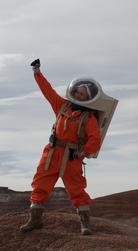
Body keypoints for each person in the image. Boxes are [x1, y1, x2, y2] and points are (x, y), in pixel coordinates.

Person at [20, 59, 102, 235]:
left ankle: (85, 224)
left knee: (77, 189)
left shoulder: (89, 118)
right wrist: (37, 72)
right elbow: (47, 91)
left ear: (89, 98)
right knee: (40, 184)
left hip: (72, 156)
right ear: (73, 91)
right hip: (51, 153)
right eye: (78, 93)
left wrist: (83, 152)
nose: (80, 96)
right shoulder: (61, 106)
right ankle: (34, 220)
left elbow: (95, 139)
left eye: (83, 95)